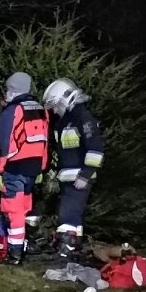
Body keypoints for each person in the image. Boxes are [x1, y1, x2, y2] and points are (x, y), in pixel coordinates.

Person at [42, 78, 105, 259]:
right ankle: (72, 252)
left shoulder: (83, 119)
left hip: (79, 177)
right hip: (69, 178)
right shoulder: (64, 122)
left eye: (55, 105)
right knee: (73, 216)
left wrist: (85, 175)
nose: (54, 110)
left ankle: (65, 253)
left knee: (67, 214)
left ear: (65, 99)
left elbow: (96, 150)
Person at [0, 72, 49, 265]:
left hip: (14, 167)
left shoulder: (13, 110)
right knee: (24, 210)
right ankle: (22, 247)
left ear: (12, 89)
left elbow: (3, 143)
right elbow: (44, 141)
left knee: (13, 211)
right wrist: (41, 167)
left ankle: (14, 254)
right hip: (33, 168)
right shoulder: (41, 109)